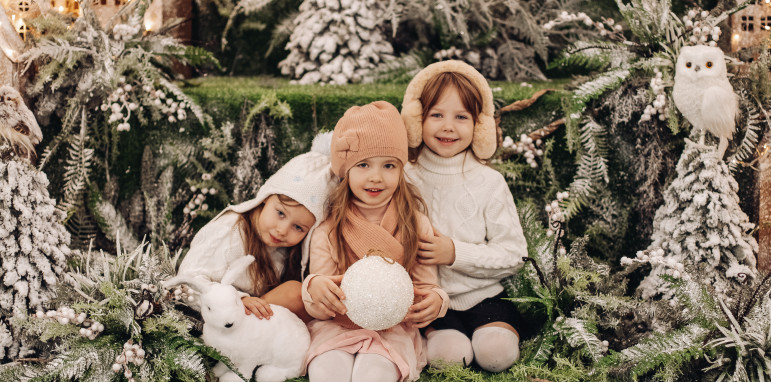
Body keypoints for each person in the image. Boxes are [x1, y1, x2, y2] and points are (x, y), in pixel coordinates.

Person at [301, 101, 449, 382]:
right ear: (345, 172)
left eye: (389, 165)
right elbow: (317, 288)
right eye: (363, 164)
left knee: (374, 375)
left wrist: (436, 300)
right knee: (326, 372)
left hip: (394, 328)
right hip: (338, 326)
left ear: (401, 169)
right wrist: (315, 288)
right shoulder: (329, 229)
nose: (376, 177)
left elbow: (428, 284)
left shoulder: (415, 223)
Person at [400, 60, 528, 372]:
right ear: (417, 121)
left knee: (496, 354)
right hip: (431, 304)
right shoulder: (404, 176)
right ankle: (443, 337)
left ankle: (492, 333)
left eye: (461, 117)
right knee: (449, 357)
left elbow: (514, 254)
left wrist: (455, 253)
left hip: (484, 298)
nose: (448, 126)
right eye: (436, 115)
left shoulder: (488, 182)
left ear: (479, 126)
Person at [176, 151, 337, 323]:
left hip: (253, 324)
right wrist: (239, 300)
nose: (282, 230)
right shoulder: (230, 230)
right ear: (265, 199)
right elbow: (188, 282)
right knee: (294, 292)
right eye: (280, 213)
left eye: (298, 227)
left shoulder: (287, 252)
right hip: (214, 318)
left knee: (308, 299)